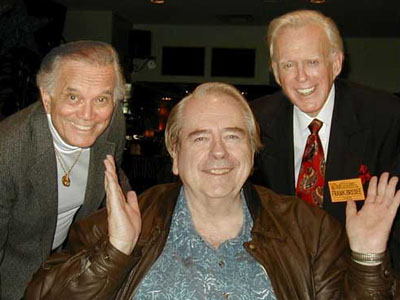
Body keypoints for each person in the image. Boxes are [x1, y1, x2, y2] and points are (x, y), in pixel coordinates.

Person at [25, 82, 399, 299]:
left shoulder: (310, 229)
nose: (218, 153)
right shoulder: (116, 226)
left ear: (252, 151)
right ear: (175, 154)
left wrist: (368, 260)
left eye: (233, 137)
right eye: (200, 137)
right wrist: (114, 252)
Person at [250, 9, 400, 270]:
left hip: (358, 272)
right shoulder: (252, 123)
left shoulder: (386, 118)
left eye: (312, 62)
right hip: (278, 274)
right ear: (275, 72)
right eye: (288, 65)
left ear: (336, 64)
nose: (301, 77)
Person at [0, 40, 130, 300]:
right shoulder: (7, 153)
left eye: (101, 99)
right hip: (14, 279)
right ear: (47, 99)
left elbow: (113, 175)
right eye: (73, 97)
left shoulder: (112, 123)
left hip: (72, 265)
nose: (88, 114)